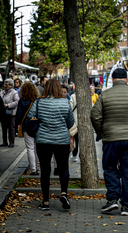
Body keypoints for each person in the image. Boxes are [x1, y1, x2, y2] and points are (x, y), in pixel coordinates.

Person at [91, 65, 128, 215]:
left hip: (110, 139)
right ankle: (126, 206)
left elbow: (95, 116)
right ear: (126, 79)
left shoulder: (104, 95)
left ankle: (112, 200)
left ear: (113, 79)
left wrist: (102, 132)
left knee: (110, 168)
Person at [27, 79, 74, 211]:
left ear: (46, 88)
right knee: (64, 168)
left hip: (43, 140)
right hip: (62, 140)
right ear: (58, 89)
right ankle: (64, 193)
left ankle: (46, 201)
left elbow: (30, 117)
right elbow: (71, 122)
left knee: (45, 169)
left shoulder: (38, 102)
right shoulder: (65, 102)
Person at [16, 82, 40, 175]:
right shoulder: (37, 100)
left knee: (30, 148)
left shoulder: (22, 101)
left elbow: (19, 115)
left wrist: (19, 123)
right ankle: (36, 167)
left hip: (27, 126)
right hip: (37, 126)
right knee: (36, 147)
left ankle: (33, 169)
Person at [0, 79, 20, 147]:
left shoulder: (14, 92)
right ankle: (5, 142)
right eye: (4, 84)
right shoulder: (2, 92)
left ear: (11, 85)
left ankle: (11, 142)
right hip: (3, 113)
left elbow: (17, 102)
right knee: (4, 128)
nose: (5, 86)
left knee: (11, 128)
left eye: (6, 84)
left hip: (11, 113)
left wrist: (8, 105)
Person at [69, 92, 79, 162]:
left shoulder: (73, 96)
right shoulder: (87, 95)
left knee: (75, 139)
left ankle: (74, 154)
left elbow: (70, 107)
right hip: (84, 121)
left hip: (75, 122)